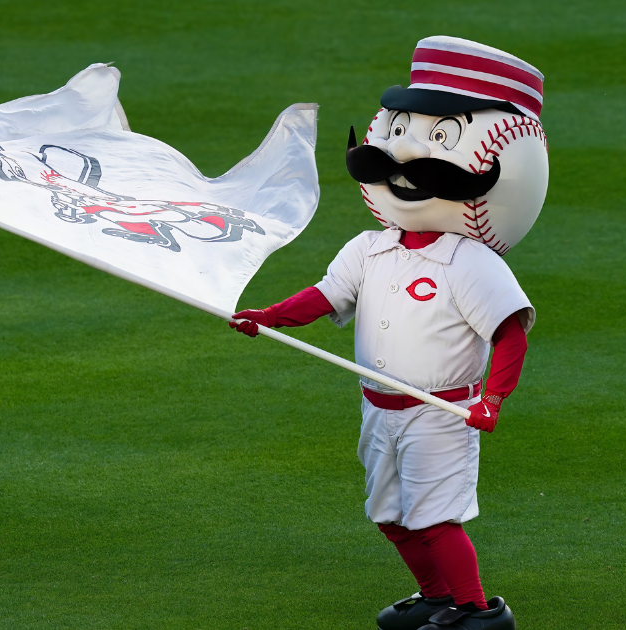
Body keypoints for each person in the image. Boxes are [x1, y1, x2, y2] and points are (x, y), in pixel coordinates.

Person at [231, 36, 550, 630]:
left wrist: (494, 399)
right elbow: (326, 296)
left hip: (439, 413)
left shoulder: (469, 263)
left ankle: (477, 609)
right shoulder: (371, 248)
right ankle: (435, 597)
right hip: (378, 408)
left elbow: (510, 334)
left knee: (435, 517)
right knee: (391, 516)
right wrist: (267, 316)